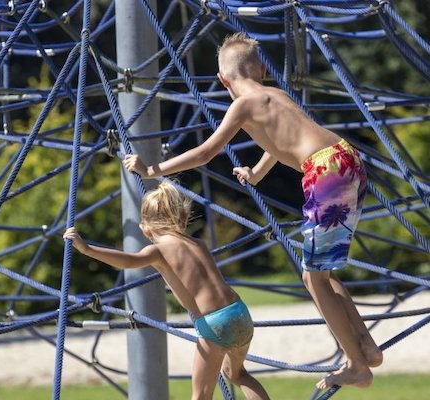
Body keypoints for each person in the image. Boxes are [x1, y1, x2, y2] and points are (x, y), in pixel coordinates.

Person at [123, 32, 382, 390]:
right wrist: (256, 173)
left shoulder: (242, 105)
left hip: (323, 170)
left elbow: (204, 153)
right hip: (346, 158)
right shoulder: (275, 95)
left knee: (313, 277)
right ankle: (365, 346)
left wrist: (152, 170)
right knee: (322, 268)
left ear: (223, 81)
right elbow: (282, 142)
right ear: (261, 69)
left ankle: (356, 364)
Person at [63, 181, 270, 400]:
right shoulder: (198, 243)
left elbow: (127, 261)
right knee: (237, 374)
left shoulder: (159, 250)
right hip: (239, 312)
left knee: (201, 395)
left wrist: (86, 249)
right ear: (183, 219)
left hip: (213, 323)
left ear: (145, 229)